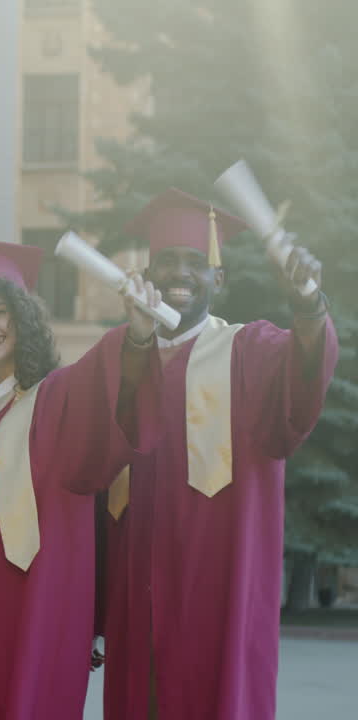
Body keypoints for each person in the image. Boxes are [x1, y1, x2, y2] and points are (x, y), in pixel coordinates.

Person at [98, 188, 337, 720]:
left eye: (195, 263)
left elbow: (302, 389)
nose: (180, 274)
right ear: (147, 274)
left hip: (221, 595)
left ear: (218, 279)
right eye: (167, 262)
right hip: (137, 600)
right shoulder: (121, 359)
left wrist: (308, 302)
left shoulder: (250, 352)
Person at [0, 236, 154, 719]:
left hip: (38, 619)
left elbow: (108, 381)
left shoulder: (57, 400)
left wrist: (136, 338)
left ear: (22, 316)